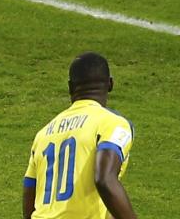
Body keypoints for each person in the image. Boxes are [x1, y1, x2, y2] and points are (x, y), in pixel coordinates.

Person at [22, 52, 137, 219]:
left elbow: (29, 190)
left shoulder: (43, 134)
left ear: (70, 87)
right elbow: (105, 180)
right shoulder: (112, 123)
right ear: (110, 84)